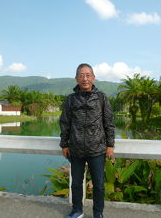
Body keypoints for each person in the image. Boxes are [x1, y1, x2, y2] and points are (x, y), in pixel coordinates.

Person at [59, 63, 115, 218]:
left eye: (88, 75)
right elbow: (65, 123)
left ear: (93, 77)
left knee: (98, 185)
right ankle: (77, 210)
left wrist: (110, 145)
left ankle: (98, 213)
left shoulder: (101, 98)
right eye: (81, 75)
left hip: (97, 149)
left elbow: (109, 122)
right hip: (76, 149)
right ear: (76, 78)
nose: (85, 78)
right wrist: (64, 144)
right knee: (76, 184)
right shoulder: (70, 100)